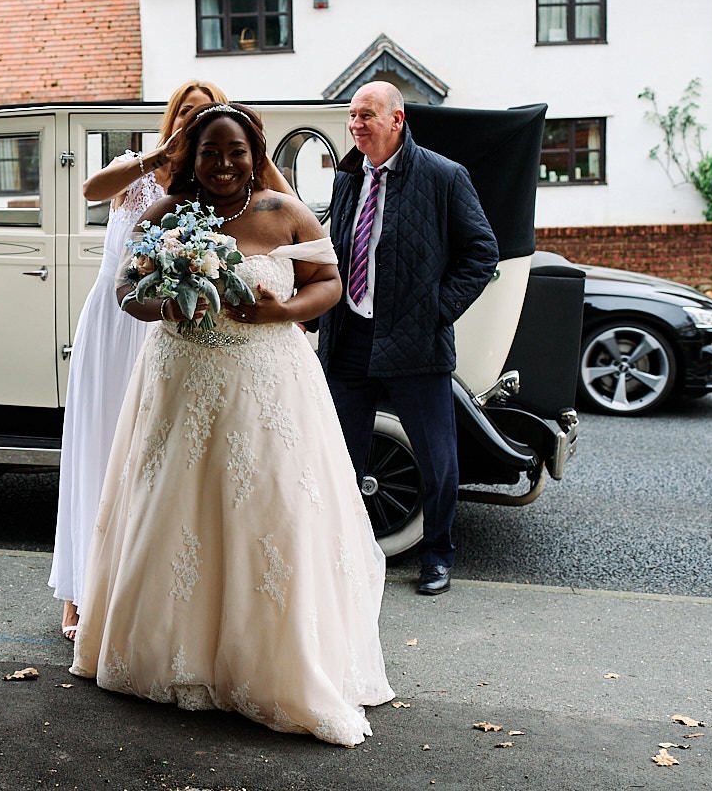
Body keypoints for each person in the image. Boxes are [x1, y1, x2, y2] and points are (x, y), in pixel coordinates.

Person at [72, 102, 393, 747]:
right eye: (210, 152)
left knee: (271, 508)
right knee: (174, 511)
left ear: (255, 155)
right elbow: (127, 292)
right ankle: (173, 653)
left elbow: (329, 282)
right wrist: (166, 303)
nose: (223, 164)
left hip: (267, 382)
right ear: (191, 157)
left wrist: (284, 311)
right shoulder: (166, 214)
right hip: (180, 381)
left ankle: (269, 662)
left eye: (236, 152)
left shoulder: (284, 212)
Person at [49, 81, 296, 641]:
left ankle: (142, 590)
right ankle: (78, 591)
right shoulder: (139, 170)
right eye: (187, 111)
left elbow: (290, 211)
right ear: (173, 116)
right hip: (116, 325)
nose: (195, 119)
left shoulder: (215, 186)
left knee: (155, 463)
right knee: (100, 449)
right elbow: (90, 189)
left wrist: (258, 154)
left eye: (206, 113)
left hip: (179, 329)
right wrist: (158, 155)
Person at [316, 81, 498, 597]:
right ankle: (348, 557)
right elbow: (339, 250)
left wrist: (437, 311)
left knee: (438, 461)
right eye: (353, 115)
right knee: (340, 458)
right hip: (350, 335)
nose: (356, 125)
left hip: (416, 341)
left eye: (367, 115)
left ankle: (438, 556)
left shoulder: (444, 175)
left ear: (397, 120)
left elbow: (482, 252)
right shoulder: (348, 177)